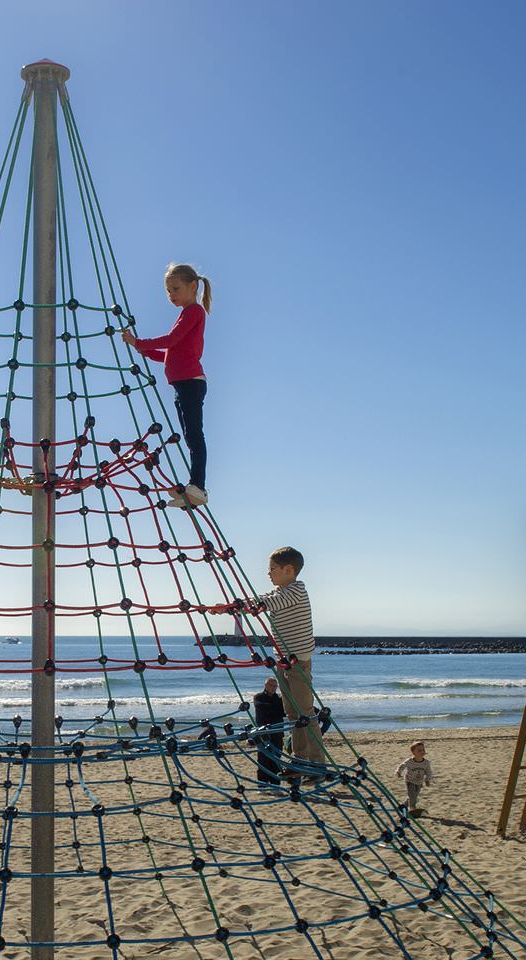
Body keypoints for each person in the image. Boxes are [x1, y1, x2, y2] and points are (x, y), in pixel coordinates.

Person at [215, 547, 320, 765]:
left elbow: (267, 603)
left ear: (289, 569)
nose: (268, 573)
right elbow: (263, 598)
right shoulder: (281, 591)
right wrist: (230, 608)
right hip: (284, 660)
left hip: (297, 660)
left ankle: (315, 761)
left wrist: (236, 608)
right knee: (292, 712)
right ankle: (300, 759)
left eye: (272, 569)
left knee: (304, 713)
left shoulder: (296, 590)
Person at [120, 263, 211, 509]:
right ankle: (194, 488)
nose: (171, 294)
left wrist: (141, 342)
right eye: (168, 291)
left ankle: (198, 487)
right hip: (182, 385)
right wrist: (139, 347)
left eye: (175, 288)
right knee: (190, 436)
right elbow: (169, 354)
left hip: (191, 383)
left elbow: (172, 340)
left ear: (193, 287)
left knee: (194, 435)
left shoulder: (194, 311)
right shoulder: (185, 313)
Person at [251, 676, 286, 785]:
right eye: (271, 685)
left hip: (277, 733)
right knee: (263, 760)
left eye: (275, 686)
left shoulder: (279, 699)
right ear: (266, 685)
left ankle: (275, 784)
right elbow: (262, 708)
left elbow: (283, 712)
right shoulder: (258, 697)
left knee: (276, 759)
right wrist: (275, 710)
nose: (273, 688)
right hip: (263, 733)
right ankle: (262, 785)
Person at [396, 741, 433, 814]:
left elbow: (428, 772)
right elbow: (402, 766)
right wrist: (398, 772)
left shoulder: (426, 763)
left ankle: (404, 805)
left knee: (414, 796)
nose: (422, 751)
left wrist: (427, 780)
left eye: (423, 750)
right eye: (419, 750)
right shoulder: (410, 761)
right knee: (412, 795)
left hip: (419, 782)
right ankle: (412, 808)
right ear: (413, 752)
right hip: (409, 781)